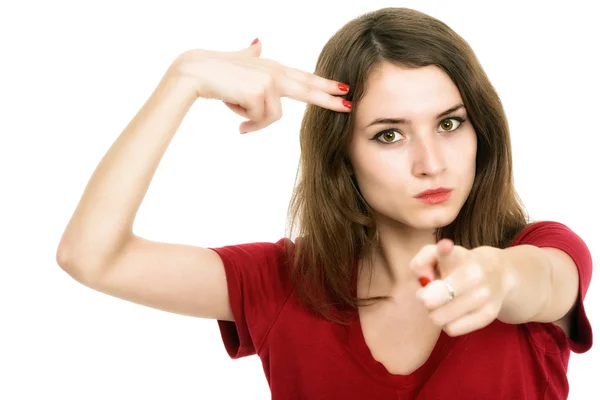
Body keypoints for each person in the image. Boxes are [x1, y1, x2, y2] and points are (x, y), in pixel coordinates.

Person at [56, 7, 593, 399]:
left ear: (482, 131)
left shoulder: (541, 248)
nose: (431, 161)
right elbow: (91, 256)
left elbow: (540, 281)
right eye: (389, 134)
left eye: (450, 123)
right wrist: (184, 78)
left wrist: (496, 277)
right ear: (343, 154)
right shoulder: (284, 284)